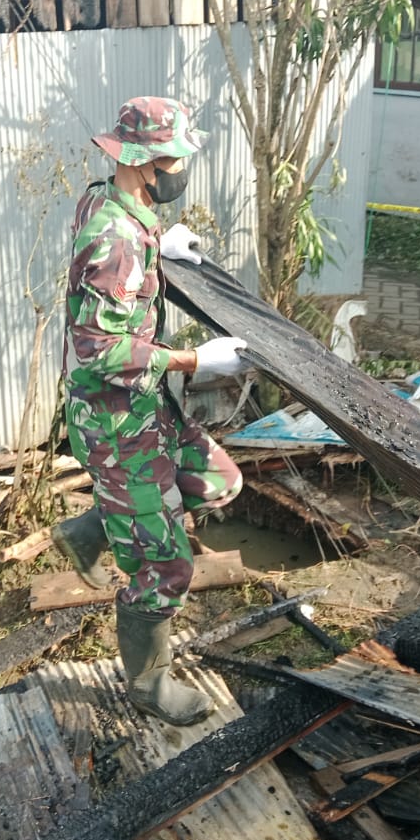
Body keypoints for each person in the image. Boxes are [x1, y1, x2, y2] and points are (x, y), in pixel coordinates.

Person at [53, 96, 251, 727]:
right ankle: (147, 685)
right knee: (167, 567)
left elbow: (119, 231)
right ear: (140, 163)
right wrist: (194, 361)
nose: (179, 169)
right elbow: (97, 353)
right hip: (114, 423)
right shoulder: (114, 241)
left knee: (220, 480)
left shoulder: (112, 203)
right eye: (172, 160)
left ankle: (89, 529)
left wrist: (163, 241)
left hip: (143, 408)